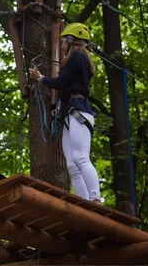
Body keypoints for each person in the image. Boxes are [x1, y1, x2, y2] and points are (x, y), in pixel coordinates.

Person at [29, 23, 101, 204]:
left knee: (80, 157)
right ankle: (84, 200)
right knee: (71, 163)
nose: (61, 46)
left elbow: (60, 82)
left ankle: (95, 197)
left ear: (70, 40)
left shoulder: (77, 56)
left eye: (63, 42)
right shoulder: (78, 59)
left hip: (79, 111)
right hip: (71, 113)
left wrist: (40, 78)